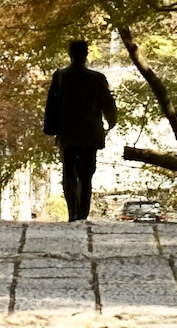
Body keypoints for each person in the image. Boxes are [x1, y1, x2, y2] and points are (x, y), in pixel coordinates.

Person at [42, 38, 119, 222]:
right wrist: (111, 122)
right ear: (86, 54)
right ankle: (82, 214)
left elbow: (52, 104)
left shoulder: (61, 77)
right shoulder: (96, 78)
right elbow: (108, 104)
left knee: (68, 173)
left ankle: (72, 213)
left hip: (67, 132)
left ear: (70, 54)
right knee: (86, 175)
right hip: (90, 133)